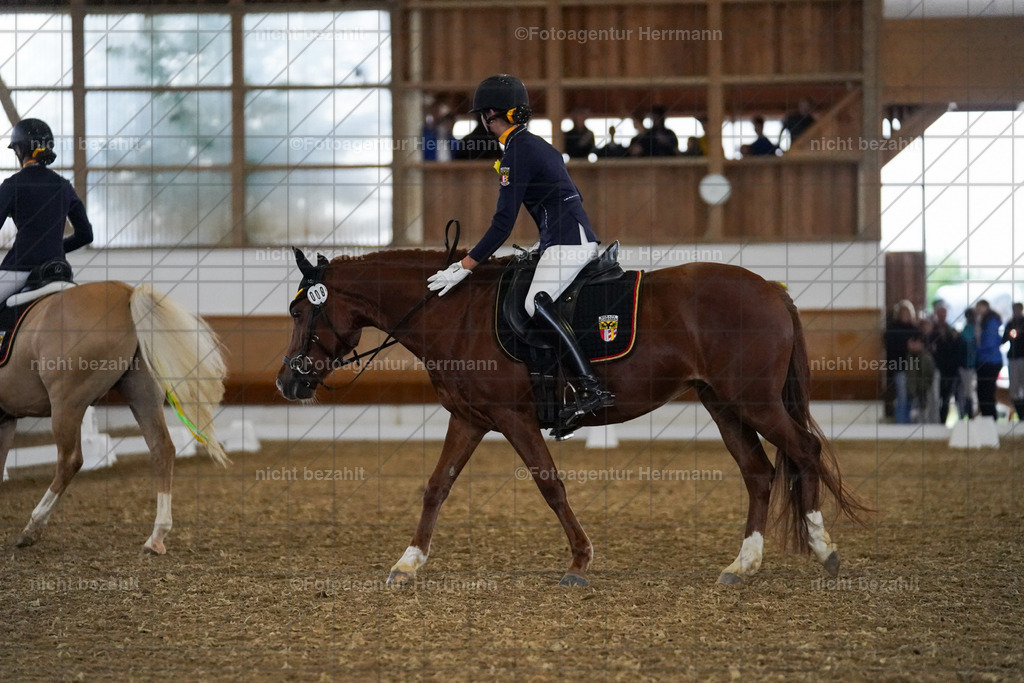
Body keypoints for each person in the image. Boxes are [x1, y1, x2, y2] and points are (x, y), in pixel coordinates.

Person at [426, 75, 613, 430]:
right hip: (561, 237)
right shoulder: (531, 144)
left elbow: (502, 223)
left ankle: (590, 387)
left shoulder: (517, 150)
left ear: (489, 114)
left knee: (534, 303)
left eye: (481, 115)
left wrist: (464, 266)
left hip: (568, 241)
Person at [0, 118, 93, 303]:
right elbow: (86, 235)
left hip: (20, 268)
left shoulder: (12, 185)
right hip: (58, 269)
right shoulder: (64, 186)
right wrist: (54, 248)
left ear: (19, 150)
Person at [927, 303, 963, 424]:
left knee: (947, 398)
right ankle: (935, 421)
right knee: (935, 397)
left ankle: (943, 422)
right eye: (940, 313)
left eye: (944, 313)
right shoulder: (932, 331)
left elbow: (956, 349)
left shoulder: (951, 331)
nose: (942, 315)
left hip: (950, 370)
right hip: (937, 369)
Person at [884, 300, 918, 424]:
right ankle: (901, 422)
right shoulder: (892, 328)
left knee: (911, 396)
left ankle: (909, 421)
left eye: (907, 313)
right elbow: (891, 347)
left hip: (913, 369)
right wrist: (906, 346)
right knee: (901, 396)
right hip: (899, 367)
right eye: (902, 313)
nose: (905, 315)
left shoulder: (914, 329)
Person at [974, 299, 1003, 419]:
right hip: (986, 361)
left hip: (990, 362)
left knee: (986, 393)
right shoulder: (983, 321)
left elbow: (989, 343)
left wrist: (978, 349)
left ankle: (990, 419)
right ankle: (988, 418)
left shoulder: (990, 321)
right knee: (983, 393)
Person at [906, 332, 935, 424]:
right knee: (914, 412)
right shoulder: (909, 358)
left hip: (923, 390)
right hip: (913, 391)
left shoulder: (926, 358)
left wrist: (924, 386)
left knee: (924, 412)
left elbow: (929, 374)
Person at [1002, 302, 1024, 420]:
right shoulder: (1010, 324)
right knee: (1014, 388)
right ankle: (1020, 414)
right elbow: (1003, 340)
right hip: (1014, 359)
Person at [957, 307, 978, 419]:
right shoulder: (969, 329)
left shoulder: (971, 329)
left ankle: (969, 415)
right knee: (967, 392)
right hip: (968, 365)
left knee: (968, 392)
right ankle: (968, 415)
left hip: (970, 365)